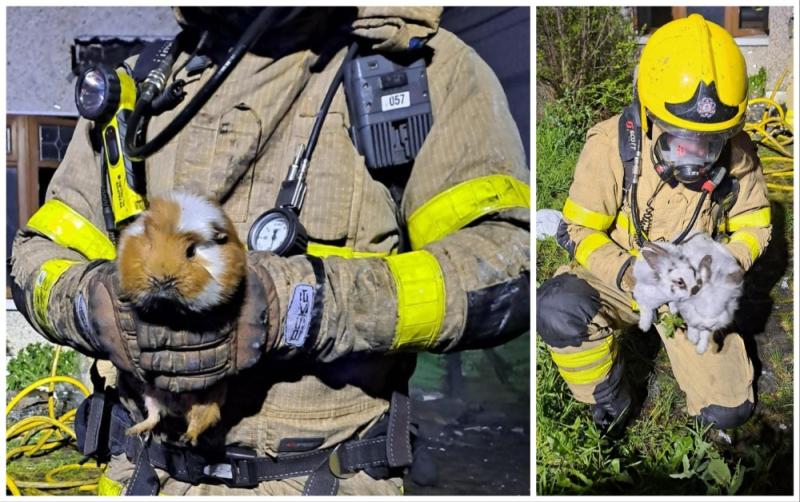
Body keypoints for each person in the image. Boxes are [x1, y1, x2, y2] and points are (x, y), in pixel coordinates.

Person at [10, 6, 530, 496]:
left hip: (320, 480)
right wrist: (93, 306)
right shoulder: (142, 86)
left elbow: (508, 266)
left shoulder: (421, 70)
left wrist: (302, 307)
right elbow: (37, 256)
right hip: (142, 476)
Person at [536, 14, 771, 436]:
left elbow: (755, 225)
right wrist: (629, 273)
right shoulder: (611, 146)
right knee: (558, 308)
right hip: (621, 274)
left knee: (728, 412)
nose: (696, 155)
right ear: (647, 116)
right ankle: (609, 400)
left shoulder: (738, 151)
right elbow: (577, 230)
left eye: (711, 142)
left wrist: (723, 266)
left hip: (690, 288)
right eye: (680, 138)